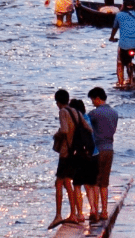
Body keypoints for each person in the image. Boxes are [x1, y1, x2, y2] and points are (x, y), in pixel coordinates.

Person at [53, 90, 88, 225]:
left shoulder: (63, 112)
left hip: (65, 152)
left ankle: (58, 215)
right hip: (75, 151)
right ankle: (73, 213)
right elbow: (88, 128)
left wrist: (57, 135)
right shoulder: (76, 112)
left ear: (58, 102)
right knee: (67, 182)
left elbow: (64, 130)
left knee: (59, 183)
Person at [86, 88, 120, 219]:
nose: (92, 103)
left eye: (92, 100)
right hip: (109, 149)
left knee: (95, 181)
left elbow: (86, 127)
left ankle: (95, 211)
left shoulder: (94, 114)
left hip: (97, 150)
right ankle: (105, 211)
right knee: (104, 183)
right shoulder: (114, 113)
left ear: (97, 98)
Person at [113, 0, 135, 88]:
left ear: (124, 5)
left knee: (120, 62)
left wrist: (112, 37)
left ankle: (120, 83)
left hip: (124, 45)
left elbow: (115, 28)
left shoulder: (119, 15)